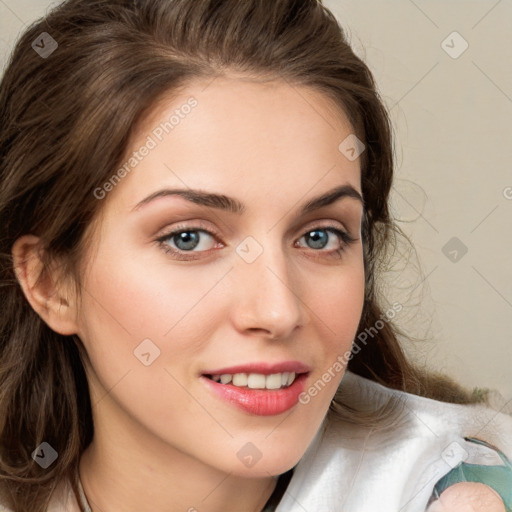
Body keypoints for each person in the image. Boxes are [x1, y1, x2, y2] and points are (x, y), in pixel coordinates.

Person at [0, 0, 510, 511]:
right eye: (189, 238)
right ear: (50, 282)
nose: (278, 311)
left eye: (319, 236)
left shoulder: (465, 492)